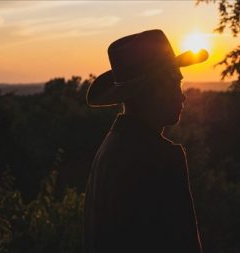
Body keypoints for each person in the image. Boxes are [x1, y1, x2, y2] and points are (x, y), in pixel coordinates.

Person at [84, 29, 208, 253]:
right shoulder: (159, 159)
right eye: (175, 84)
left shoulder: (108, 151)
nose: (182, 96)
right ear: (153, 90)